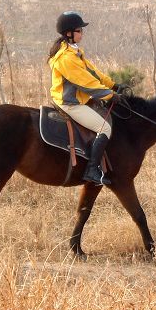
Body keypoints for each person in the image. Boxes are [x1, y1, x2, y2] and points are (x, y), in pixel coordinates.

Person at [47, 11, 128, 186]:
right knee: (104, 128)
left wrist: (113, 85)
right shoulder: (65, 58)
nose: (82, 33)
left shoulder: (74, 51)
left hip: (79, 100)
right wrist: (109, 95)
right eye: (79, 30)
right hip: (70, 103)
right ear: (69, 33)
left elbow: (93, 72)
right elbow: (86, 83)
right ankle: (91, 170)